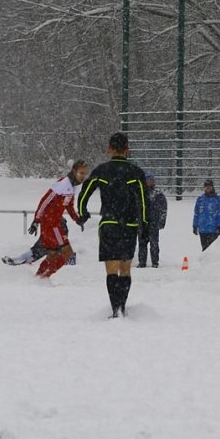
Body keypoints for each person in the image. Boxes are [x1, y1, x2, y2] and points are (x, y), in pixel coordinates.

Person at [77, 132, 148, 318]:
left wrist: (83, 212)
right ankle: (122, 307)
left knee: (111, 268)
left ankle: (115, 309)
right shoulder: (136, 172)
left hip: (109, 223)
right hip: (129, 225)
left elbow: (84, 193)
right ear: (127, 149)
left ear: (109, 149)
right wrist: (145, 225)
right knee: (125, 268)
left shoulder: (102, 171)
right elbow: (144, 201)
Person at [28, 160, 88, 279]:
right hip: (51, 224)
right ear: (74, 171)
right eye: (81, 173)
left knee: (53, 254)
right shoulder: (63, 184)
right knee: (67, 253)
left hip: (55, 223)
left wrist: (77, 219)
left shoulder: (72, 186)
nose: (83, 176)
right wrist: (36, 220)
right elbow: (44, 201)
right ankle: (43, 278)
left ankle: (38, 278)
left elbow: (69, 206)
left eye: (85, 174)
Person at [2, 218, 77, 266]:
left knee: (34, 254)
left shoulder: (58, 225)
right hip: (45, 241)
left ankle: (17, 262)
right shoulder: (52, 221)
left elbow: (61, 240)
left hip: (50, 245)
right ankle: (16, 260)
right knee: (33, 252)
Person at [137, 173, 168, 268]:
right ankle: (142, 262)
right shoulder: (140, 192)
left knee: (154, 244)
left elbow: (163, 209)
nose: (149, 182)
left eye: (151, 180)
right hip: (142, 223)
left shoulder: (158, 194)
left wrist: (162, 221)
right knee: (142, 244)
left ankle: (155, 262)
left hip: (154, 223)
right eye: (148, 180)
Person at [193, 179, 220, 251]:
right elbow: (196, 213)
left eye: (209, 186)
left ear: (212, 187)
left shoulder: (219, 199)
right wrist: (195, 226)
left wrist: (219, 226)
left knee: (213, 251)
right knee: (205, 250)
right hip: (202, 230)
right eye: (206, 187)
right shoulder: (200, 199)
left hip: (213, 230)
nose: (208, 188)